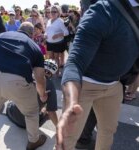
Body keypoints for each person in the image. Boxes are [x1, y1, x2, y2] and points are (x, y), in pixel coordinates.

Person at [56, 0, 139, 150]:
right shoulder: (103, 10)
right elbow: (74, 62)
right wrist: (72, 102)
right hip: (84, 85)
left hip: (114, 86)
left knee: (108, 132)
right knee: (66, 141)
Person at [0, 22, 48, 150]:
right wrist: (42, 95)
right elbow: (39, 77)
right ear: (31, 34)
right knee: (32, 112)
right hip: (16, 81)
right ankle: (33, 140)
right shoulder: (34, 46)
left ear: (19, 29)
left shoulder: (0, 36)